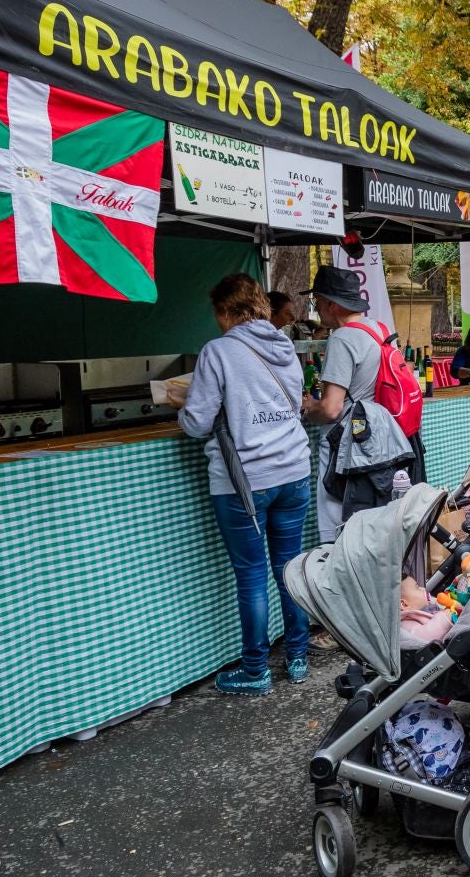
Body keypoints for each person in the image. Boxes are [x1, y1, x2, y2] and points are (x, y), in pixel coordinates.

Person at [173, 275, 315, 696]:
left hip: (245, 480)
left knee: (252, 574)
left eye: (218, 313)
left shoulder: (218, 352)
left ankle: (255, 670)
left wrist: (179, 408)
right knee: (289, 567)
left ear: (227, 311)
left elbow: (198, 423)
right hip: (294, 470)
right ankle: (298, 657)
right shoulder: (284, 345)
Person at [302, 264, 407, 541]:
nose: (317, 308)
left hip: (345, 447)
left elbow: (331, 408)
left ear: (331, 303)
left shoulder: (343, 338)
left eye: (317, 302)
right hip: (379, 442)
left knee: (340, 530)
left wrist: (309, 407)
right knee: (370, 528)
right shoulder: (380, 330)